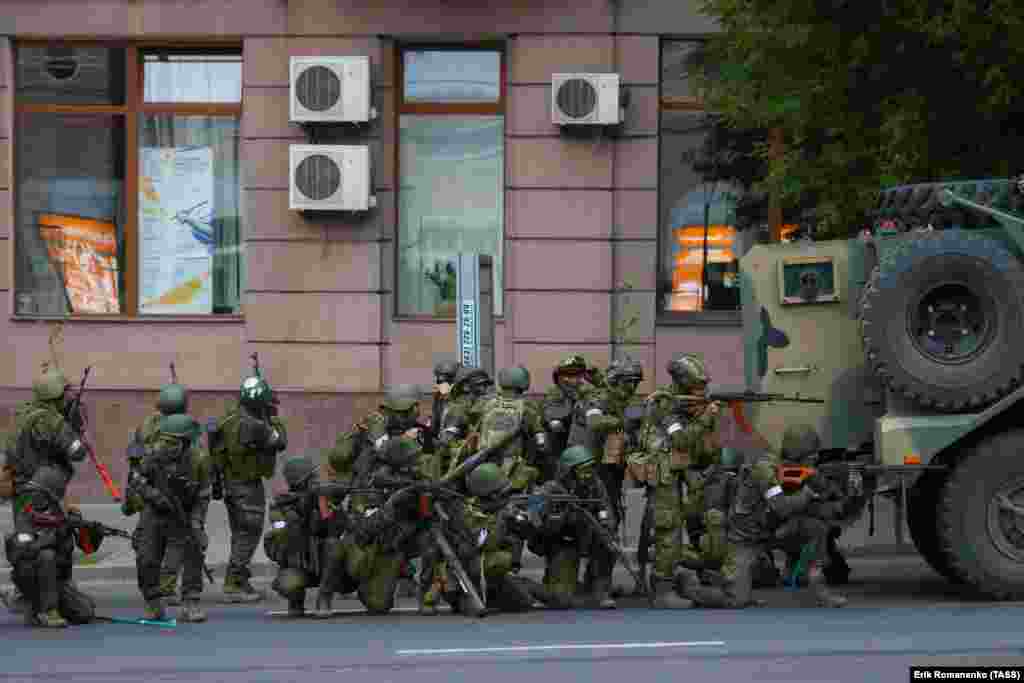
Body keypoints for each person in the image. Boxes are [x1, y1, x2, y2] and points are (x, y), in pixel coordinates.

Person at [209, 368, 288, 602]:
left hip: (231, 485)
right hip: (248, 486)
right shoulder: (257, 425)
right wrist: (274, 417)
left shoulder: (227, 420)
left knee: (239, 533)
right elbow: (280, 442)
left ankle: (241, 581)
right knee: (248, 535)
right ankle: (233, 585)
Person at [127, 412, 212, 622]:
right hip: (155, 512)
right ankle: (153, 602)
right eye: (165, 441)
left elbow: (203, 495)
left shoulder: (199, 460)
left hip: (184, 512)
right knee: (146, 557)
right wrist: (154, 496)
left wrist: (196, 522)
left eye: (173, 443)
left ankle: (191, 602)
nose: (167, 447)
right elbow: (136, 480)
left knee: (194, 548)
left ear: (186, 443)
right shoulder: (154, 455)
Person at [5, 465, 96, 627]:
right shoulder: (26, 512)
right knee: (46, 555)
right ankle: (44, 609)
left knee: (85, 612)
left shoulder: (57, 514)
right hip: (30, 576)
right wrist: (55, 537)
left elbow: (79, 549)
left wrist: (84, 529)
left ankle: (41, 606)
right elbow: (25, 549)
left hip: (57, 580)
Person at [532, 445, 619, 609]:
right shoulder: (551, 488)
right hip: (564, 541)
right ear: (569, 471)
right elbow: (534, 516)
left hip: (588, 535)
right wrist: (557, 516)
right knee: (561, 599)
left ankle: (599, 587)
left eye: (590, 469)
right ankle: (555, 584)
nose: (588, 475)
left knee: (608, 543)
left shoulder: (595, 485)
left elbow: (606, 511)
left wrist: (607, 529)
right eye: (583, 470)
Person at [265, 455, 346, 618]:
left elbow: (337, 530)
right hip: (298, 562)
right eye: (313, 477)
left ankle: (324, 597)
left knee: (334, 546)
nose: (317, 480)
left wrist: (334, 507)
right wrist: (297, 512)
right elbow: (280, 534)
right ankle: (296, 601)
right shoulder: (281, 506)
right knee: (288, 584)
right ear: (301, 481)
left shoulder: (322, 500)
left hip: (323, 562)